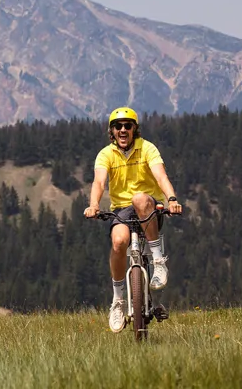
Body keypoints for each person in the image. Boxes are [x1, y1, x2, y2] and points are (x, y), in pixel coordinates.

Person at [83, 106, 182, 333]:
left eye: (128, 125)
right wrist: (94, 205)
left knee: (139, 199)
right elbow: (99, 182)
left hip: (148, 206)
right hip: (120, 210)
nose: (123, 130)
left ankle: (158, 262)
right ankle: (118, 300)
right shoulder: (105, 154)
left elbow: (161, 176)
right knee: (118, 242)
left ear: (135, 128)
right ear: (112, 131)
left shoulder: (147, 148)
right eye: (118, 126)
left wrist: (172, 199)